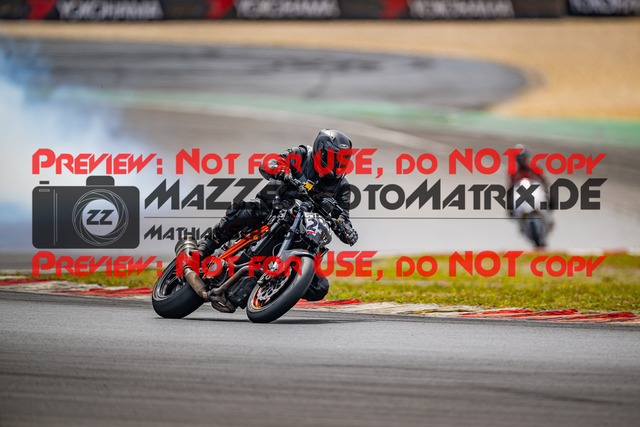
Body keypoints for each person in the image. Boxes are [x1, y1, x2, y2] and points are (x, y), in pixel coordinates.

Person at [193, 129, 358, 301]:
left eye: (344, 159)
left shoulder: (342, 186)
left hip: (303, 230)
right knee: (244, 210)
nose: (339, 163)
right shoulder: (301, 154)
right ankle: (206, 246)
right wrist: (280, 170)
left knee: (319, 288)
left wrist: (346, 230)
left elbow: (343, 217)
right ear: (321, 152)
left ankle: (273, 291)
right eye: (335, 158)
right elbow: (271, 162)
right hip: (273, 209)